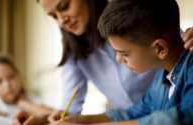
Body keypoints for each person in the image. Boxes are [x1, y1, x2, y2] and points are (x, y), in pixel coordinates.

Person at [13, 0, 193, 124]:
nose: (61, 21)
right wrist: (68, 120)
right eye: (53, 16)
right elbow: (129, 112)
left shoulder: (131, 15)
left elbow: (170, 37)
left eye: (64, 6)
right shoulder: (159, 81)